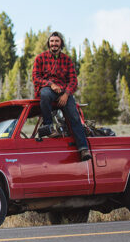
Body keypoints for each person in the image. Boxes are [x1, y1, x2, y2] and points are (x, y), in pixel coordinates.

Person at [31, 31, 92, 161]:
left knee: (74, 115)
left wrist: (66, 94)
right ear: (48, 43)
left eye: (56, 41)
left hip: (64, 92)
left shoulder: (67, 60)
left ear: (61, 44)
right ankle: (48, 126)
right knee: (45, 94)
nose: (54, 44)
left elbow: (73, 81)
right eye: (52, 41)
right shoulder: (40, 58)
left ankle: (83, 148)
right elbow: (36, 78)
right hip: (48, 89)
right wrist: (50, 84)